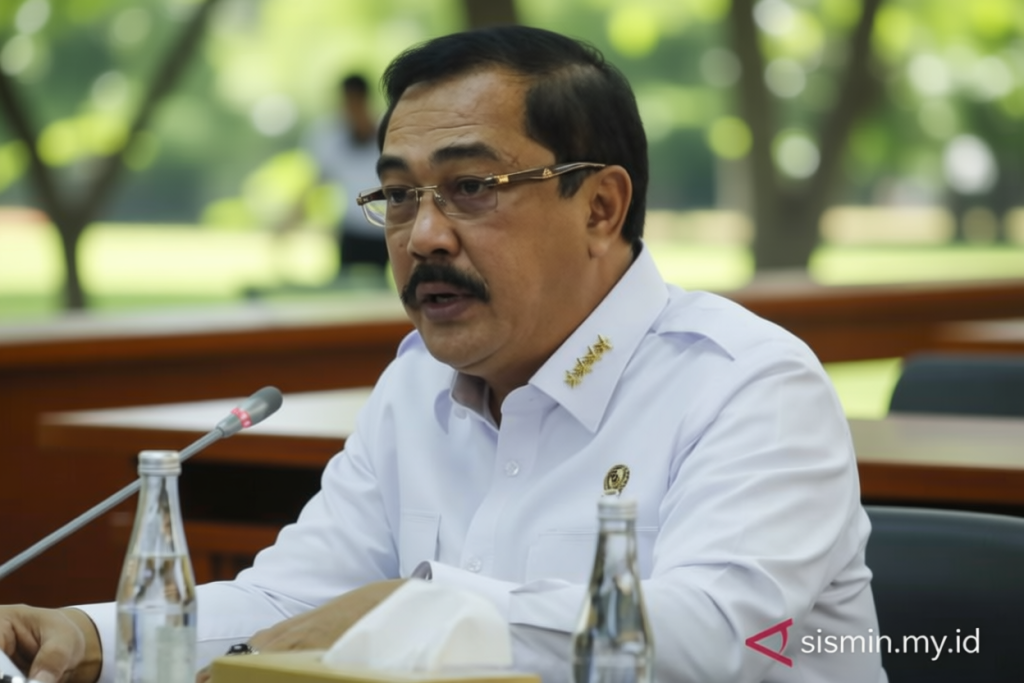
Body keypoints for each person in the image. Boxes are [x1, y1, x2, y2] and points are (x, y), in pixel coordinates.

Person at [0, 26, 885, 683]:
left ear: (601, 208)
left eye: (470, 187)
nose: (422, 234)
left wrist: (420, 606)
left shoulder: (747, 384)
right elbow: (293, 601)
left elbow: (718, 638)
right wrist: (91, 631)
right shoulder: (416, 382)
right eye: (396, 195)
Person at [292, 73, 389, 284]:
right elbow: (319, 178)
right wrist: (295, 215)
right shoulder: (333, 137)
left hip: (386, 229)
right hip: (351, 229)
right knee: (345, 285)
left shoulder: (388, 133)